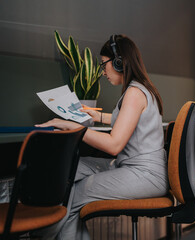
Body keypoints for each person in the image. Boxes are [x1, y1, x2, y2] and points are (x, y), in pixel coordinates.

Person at [35, 34, 168, 239]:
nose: (102, 70)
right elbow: (129, 119)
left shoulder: (134, 93)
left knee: (76, 194)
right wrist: (98, 115)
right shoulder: (140, 89)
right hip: (137, 168)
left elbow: (114, 145)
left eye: (104, 64)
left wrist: (71, 126)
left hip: (145, 175)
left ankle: (42, 234)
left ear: (119, 62)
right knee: (73, 165)